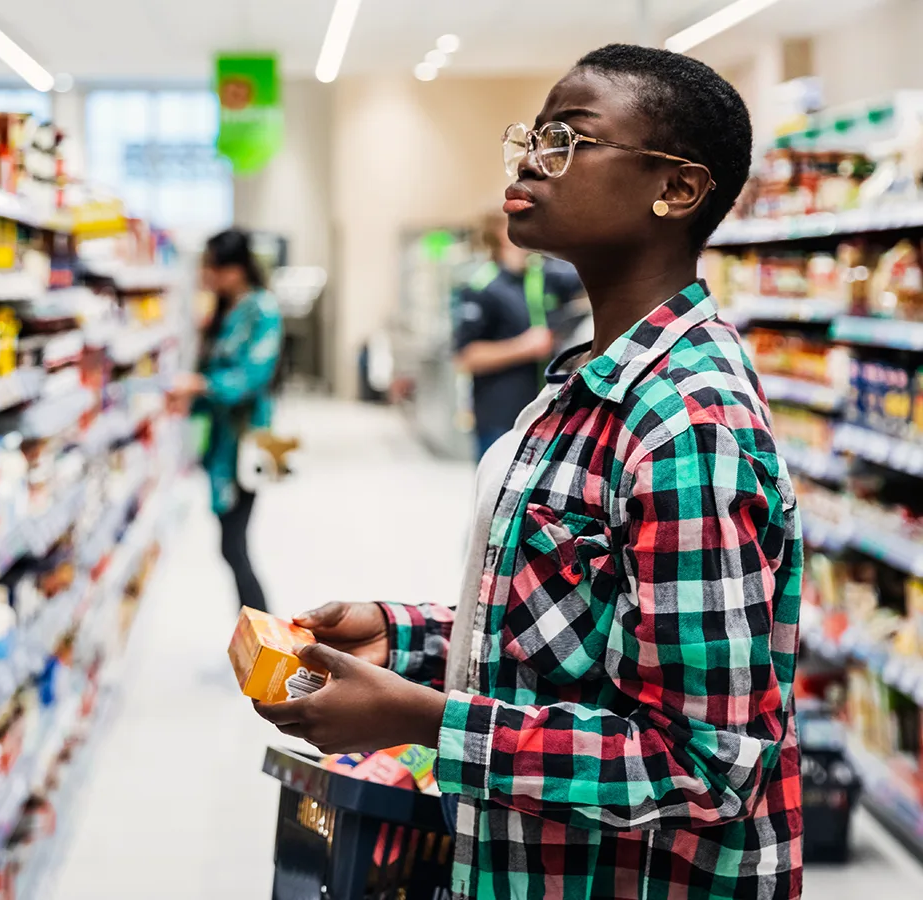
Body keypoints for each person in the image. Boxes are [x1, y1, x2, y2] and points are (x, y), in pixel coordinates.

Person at [256, 44, 802, 900]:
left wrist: (423, 719)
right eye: (532, 135)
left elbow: (704, 764)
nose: (530, 161)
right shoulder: (589, 378)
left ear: (679, 189)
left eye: (569, 139)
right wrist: (407, 639)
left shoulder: (688, 422)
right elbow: (575, 632)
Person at [168, 229, 283, 613]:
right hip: (220, 442)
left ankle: (266, 642)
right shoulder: (223, 310)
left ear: (235, 269)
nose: (206, 275)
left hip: (248, 439)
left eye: (212, 267)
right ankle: (255, 638)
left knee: (234, 545)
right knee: (230, 545)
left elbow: (253, 376)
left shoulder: (263, 309)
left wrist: (199, 385)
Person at [453, 211, 583, 458]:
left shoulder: (546, 276)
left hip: (547, 414)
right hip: (500, 418)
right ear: (501, 233)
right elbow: (465, 357)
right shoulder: (482, 285)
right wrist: (524, 347)